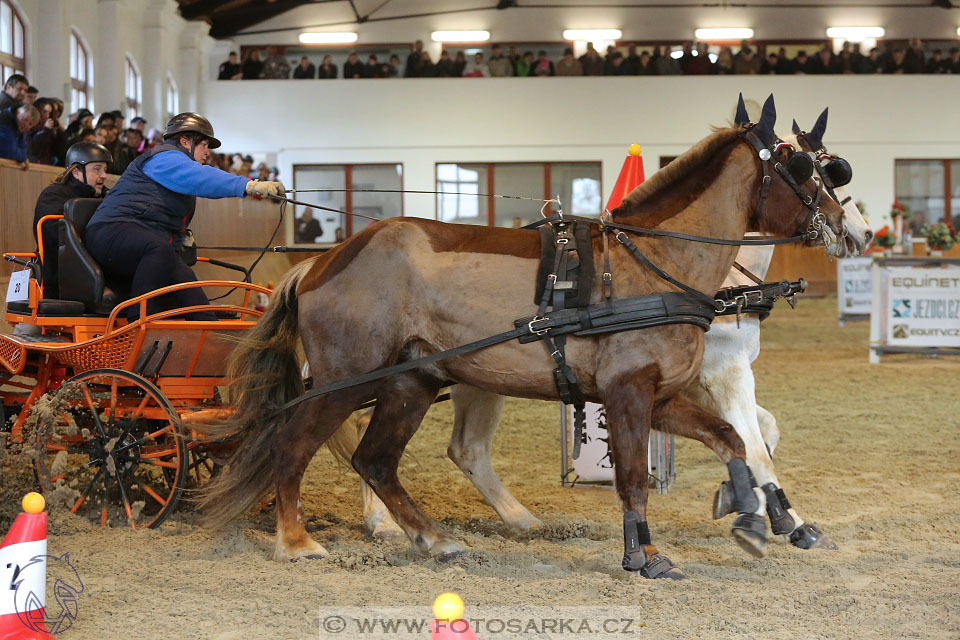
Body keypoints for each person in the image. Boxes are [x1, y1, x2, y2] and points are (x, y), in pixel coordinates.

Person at [84, 113, 285, 321]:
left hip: (141, 238)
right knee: (160, 248)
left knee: (186, 280)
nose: (207, 153)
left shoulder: (175, 165)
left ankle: (210, 337)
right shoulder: (163, 157)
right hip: (110, 231)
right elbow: (200, 177)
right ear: (185, 141)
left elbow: (161, 218)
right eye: (204, 145)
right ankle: (138, 325)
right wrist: (248, 185)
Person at [32, 142, 112, 299]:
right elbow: (59, 235)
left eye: (105, 170)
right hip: (54, 282)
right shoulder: (52, 195)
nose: (104, 175)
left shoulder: (108, 197)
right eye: (97, 169)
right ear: (76, 172)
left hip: (97, 281)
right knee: (29, 324)